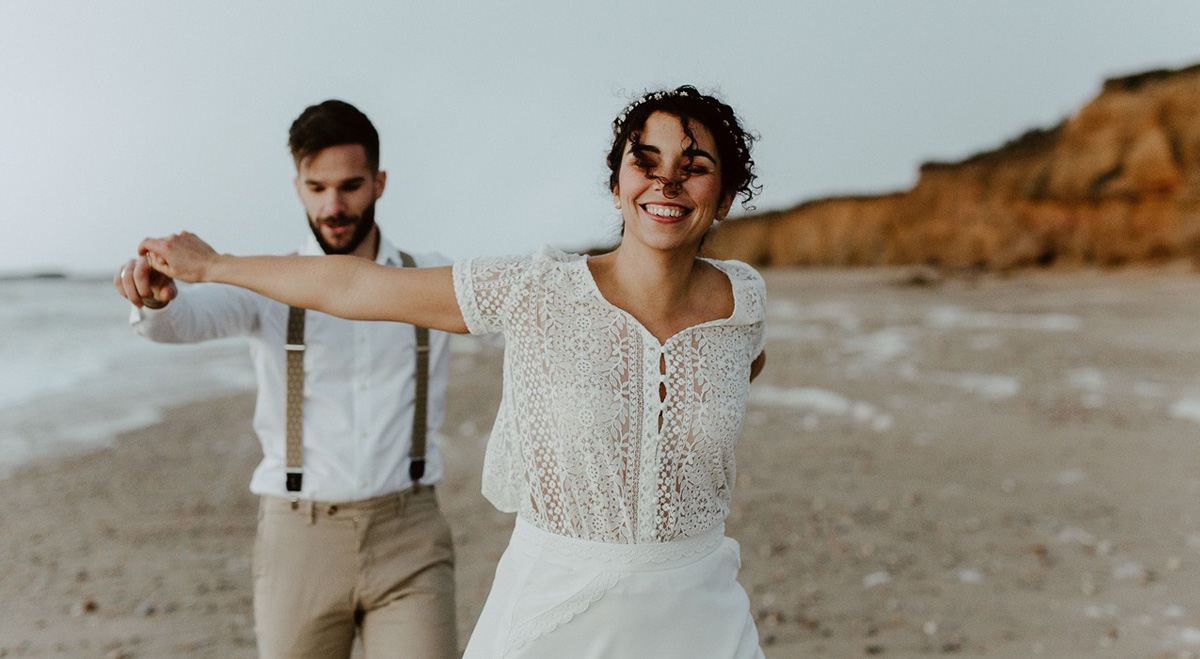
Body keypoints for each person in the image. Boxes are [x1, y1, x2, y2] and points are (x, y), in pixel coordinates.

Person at [139, 85, 769, 658]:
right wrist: (215, 266)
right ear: (616, 185)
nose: (667, 184)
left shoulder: (744, 302)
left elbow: (730, 372)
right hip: (564, 609)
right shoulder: (535, 290)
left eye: (695, 168)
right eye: (646, 163)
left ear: (726, 196)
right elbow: (356, 286)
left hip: (702, 612)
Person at [113, 100, 459, 658]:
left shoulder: (429, 276)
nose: (335, 205)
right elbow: (185, 322)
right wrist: (157, 303)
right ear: (298, 187)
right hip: (300, 535)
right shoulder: (265, 284)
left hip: (410, 531)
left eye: (351, 185)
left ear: (380, 182)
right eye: (317, 187)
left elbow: (515, 317)